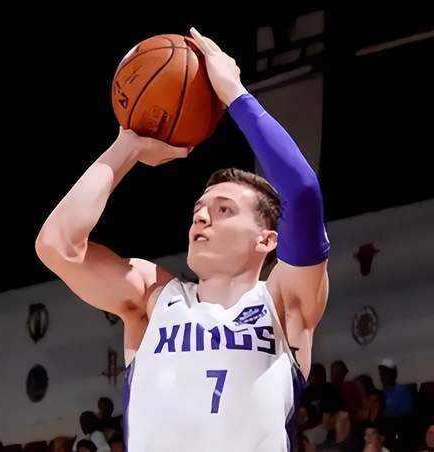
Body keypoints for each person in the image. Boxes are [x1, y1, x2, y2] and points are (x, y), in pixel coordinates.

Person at [36, 27, 330, 452]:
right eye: (199, 210)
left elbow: (301, 194)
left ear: (267, 240)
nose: (202, 216)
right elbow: (57, 246)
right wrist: (128, 145)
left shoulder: (284, 304)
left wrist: (235, 95)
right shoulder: (154, 297)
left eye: (224, 209)